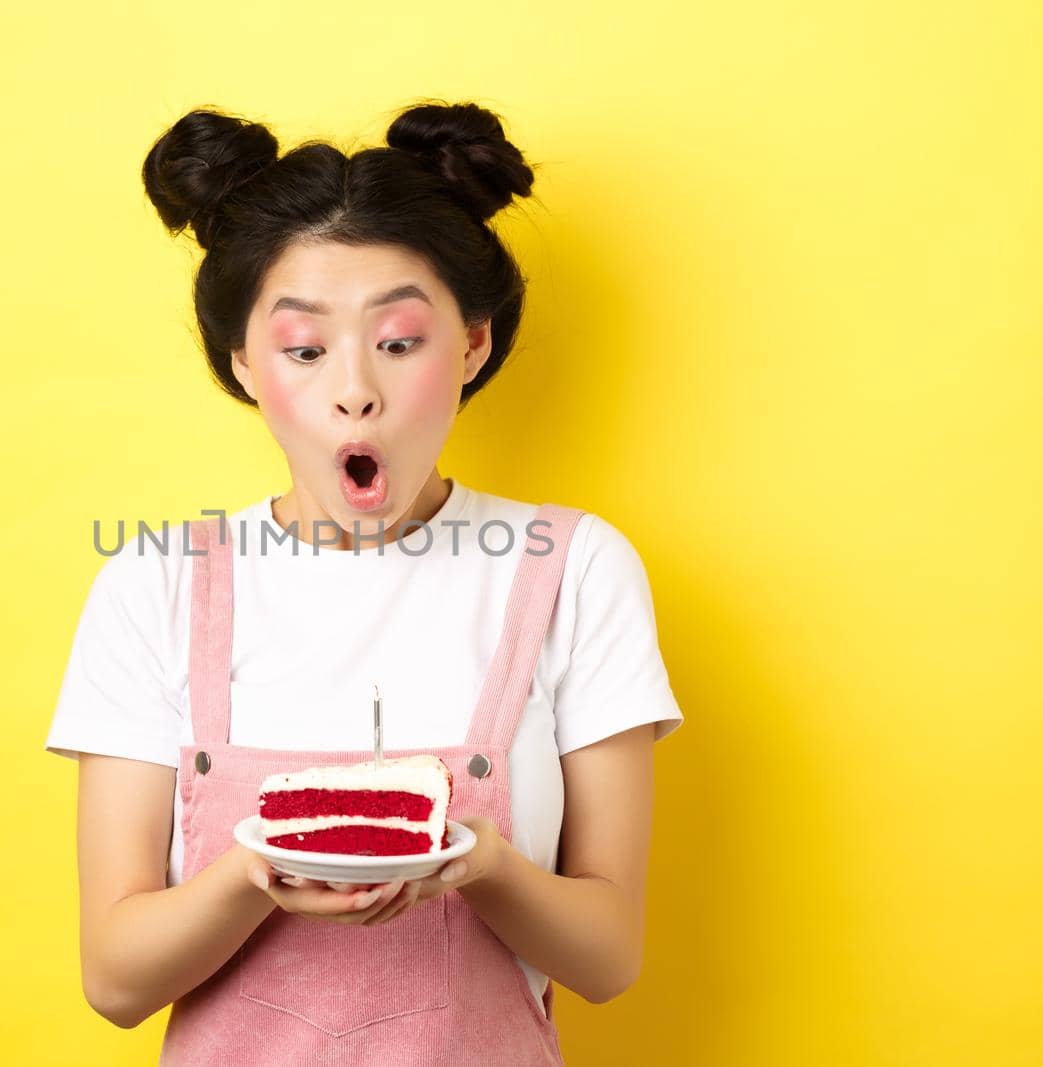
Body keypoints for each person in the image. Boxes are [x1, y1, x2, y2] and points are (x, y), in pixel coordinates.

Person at [45, 101, 685, 1066]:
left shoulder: (577, 568)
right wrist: (259, 870)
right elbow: (116, 982)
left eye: (398, 340)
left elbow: (606, 958)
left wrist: (481, 862)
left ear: (472, 344)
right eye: (305, 350)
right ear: (244, 364)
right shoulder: (155, 583)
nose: (356, 389)